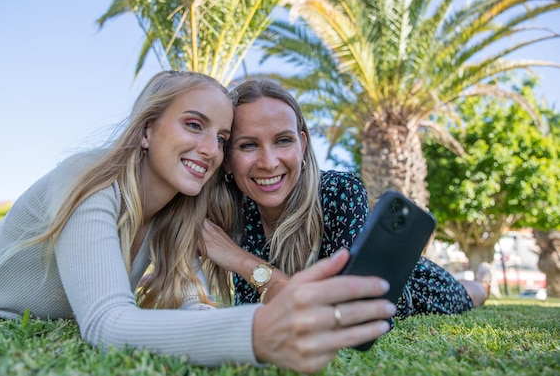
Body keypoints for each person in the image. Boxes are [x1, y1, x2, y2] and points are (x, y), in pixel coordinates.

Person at [0, 70, 395, 374]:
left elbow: (190, 300)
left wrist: (214, 322)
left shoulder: (181, 207)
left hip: (12, 240)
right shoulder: (91, 180)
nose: (211, 150)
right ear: (147, 128)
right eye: (194, 126)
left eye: (221, 138)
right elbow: (105, 324)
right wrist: (256, 332)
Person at [202, 78, 489, 319]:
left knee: (470, 294)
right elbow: (257, 310)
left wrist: (237, 258)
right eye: (248, 145)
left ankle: (482, 282)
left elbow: (350, 308)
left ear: (302, 145)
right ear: (227, 159)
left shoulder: (339, 190)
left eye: (283, 141)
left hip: (411, 282)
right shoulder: (236, 210)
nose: (268, 162)